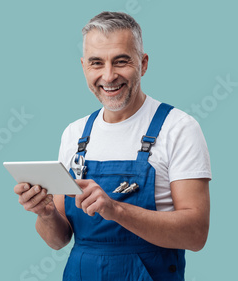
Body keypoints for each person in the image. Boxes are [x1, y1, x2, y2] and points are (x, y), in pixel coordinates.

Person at [14, 11, 211, 281]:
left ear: (142, 64)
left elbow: (196, 234)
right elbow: (58, 240)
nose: (108, 76)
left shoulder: (178, 128)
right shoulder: (74, 135)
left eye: (121, 61)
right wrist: (45, 212)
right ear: (84, 66)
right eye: (97, 63)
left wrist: (116, 209)